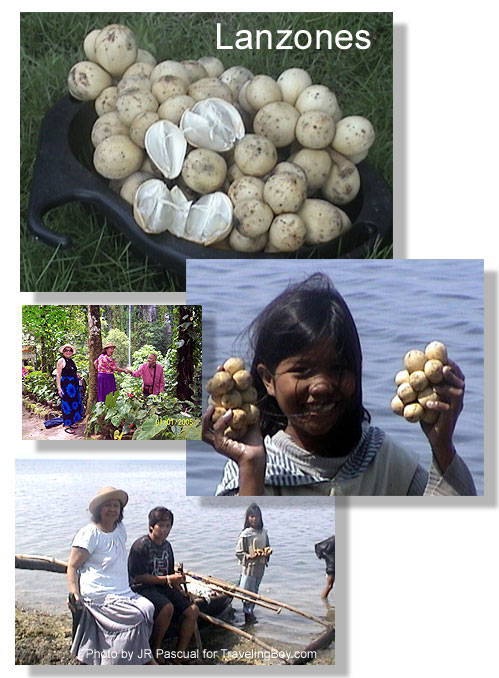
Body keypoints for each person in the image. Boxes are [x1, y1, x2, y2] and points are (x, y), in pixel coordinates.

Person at [202, 273, 477, 496]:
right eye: (302, 370)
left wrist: (442, 444)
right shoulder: (254, 466)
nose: (321, 386)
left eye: (338, 368)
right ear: (268, 380)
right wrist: (251, 465)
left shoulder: (388, 462)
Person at [66, 487, 156, 665]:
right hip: (100, 594)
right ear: (99, 509)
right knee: (136, 617)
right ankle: (124, 661)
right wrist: (75, 594)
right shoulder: (89, 534)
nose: (112, 509)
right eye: (108, 505)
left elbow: (118, 558)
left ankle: (137, 656)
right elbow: (72, 566)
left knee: (148, 608)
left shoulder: (120, 529)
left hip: (123, 591)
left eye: (116, 505)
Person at [128, 506, 199, 664]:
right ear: (151, 526)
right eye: (161, 525)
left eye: (168, 526)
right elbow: (137, 576)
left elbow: (170, 574)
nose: (165, 530)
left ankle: (179, 652)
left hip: (163, 586)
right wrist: (167, 579)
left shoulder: (167, 546)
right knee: (167, 608)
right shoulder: (140, 546)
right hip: (142, 588)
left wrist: (181, 590)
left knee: (193, 610)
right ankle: (155, 649)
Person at [235, 503, 270, 625]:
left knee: (254, 589)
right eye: (251, 517)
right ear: (247, 518)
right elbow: (238, 552)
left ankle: (250, 611)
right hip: (249, 567)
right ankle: (247, 613)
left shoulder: (263, 533)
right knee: (246, 590)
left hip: (260, 566)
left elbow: (267, 547)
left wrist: (266, 553)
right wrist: (250, 556)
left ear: (260, 518)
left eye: (256, 517)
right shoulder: (245, 534)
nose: (254, 519)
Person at [56, 343, 84, 435]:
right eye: (66, 350)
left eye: (70, 350)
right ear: (63, 352)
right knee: (66, 405)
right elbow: (58, 375)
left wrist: (77, 376)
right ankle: (67, 425)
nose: (68, 352)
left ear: (72, 352)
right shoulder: (61, 360)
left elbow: (71, 372)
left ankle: (71, 422)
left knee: (74, 404)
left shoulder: (72, 361)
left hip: (73, 386)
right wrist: (59, 388)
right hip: (66, 386)